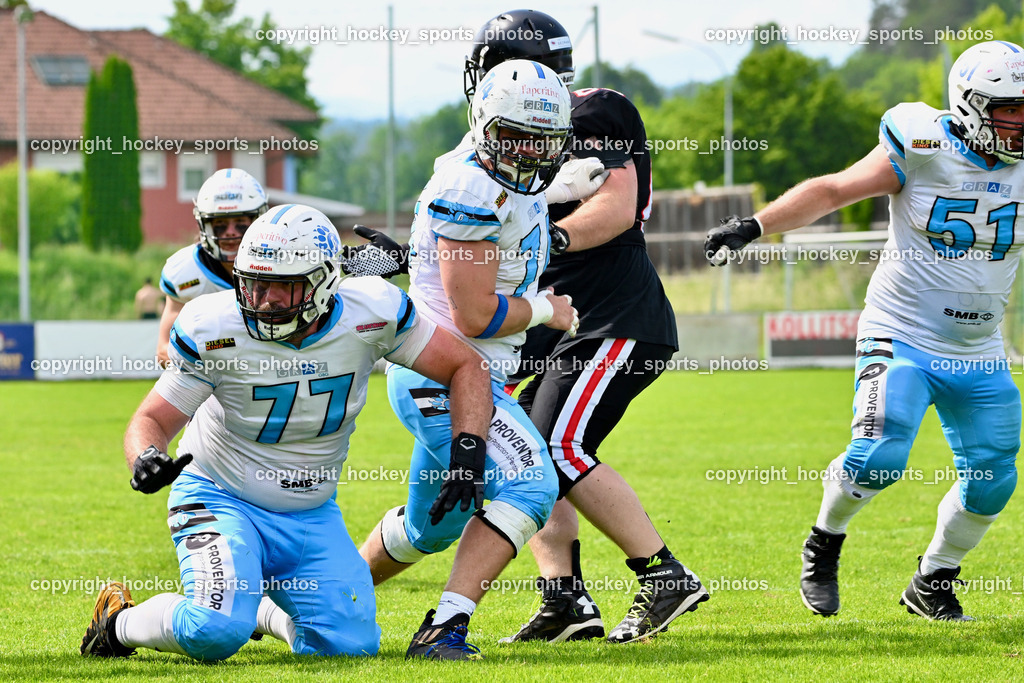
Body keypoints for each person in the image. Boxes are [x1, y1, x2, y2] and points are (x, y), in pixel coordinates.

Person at [80, 204, 493, 661]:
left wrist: (468, 450)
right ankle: (117, 624)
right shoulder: (214, 327)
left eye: (283, 285)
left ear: (323, 284)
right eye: (255, 283)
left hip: (310, 512)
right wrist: (146, 456)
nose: (265, 299)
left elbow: (465, 364)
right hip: (221, 495)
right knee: (213, 630)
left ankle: (255, 610)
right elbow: (151, 419)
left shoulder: (371, 312)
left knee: (348, 646)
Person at [704, 40, 1023, 621]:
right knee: (880, 453)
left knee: (995, 478)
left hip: (980, 349)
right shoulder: (926, 146)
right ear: (973, 105)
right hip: (902, 331)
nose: (1021, 122)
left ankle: (934, 577)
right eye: (1011, 109)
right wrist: (753, 225)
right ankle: (824, 542)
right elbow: (831, 190)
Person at [463, 10, 708, 645]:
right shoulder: (488, 148)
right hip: (554, 326)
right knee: (525, 454)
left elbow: (617, 205)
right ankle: (565, 600)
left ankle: (663, 575)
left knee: (557, 449)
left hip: (611, 317)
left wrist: (548, 236)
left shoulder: (594, 112)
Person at [355, 59, 581, 661]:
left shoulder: (498, 175)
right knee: (532, 486)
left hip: (459, 373)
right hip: (450, 374)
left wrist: (565, 193)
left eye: (542, 141)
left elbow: (513, 217)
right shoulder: (470, 189)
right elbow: (474, 316)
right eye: (515, 137)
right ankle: (444, 629)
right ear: (484, 125)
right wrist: (545, 311)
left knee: (433, 527)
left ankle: (304, 601)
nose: (529, 152)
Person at [156, 168, 268, 364]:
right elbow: (165, 351)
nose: (230, 232)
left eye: (240, 222)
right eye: (220, 223)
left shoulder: (282, 265)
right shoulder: (186, 271)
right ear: (204, 225)